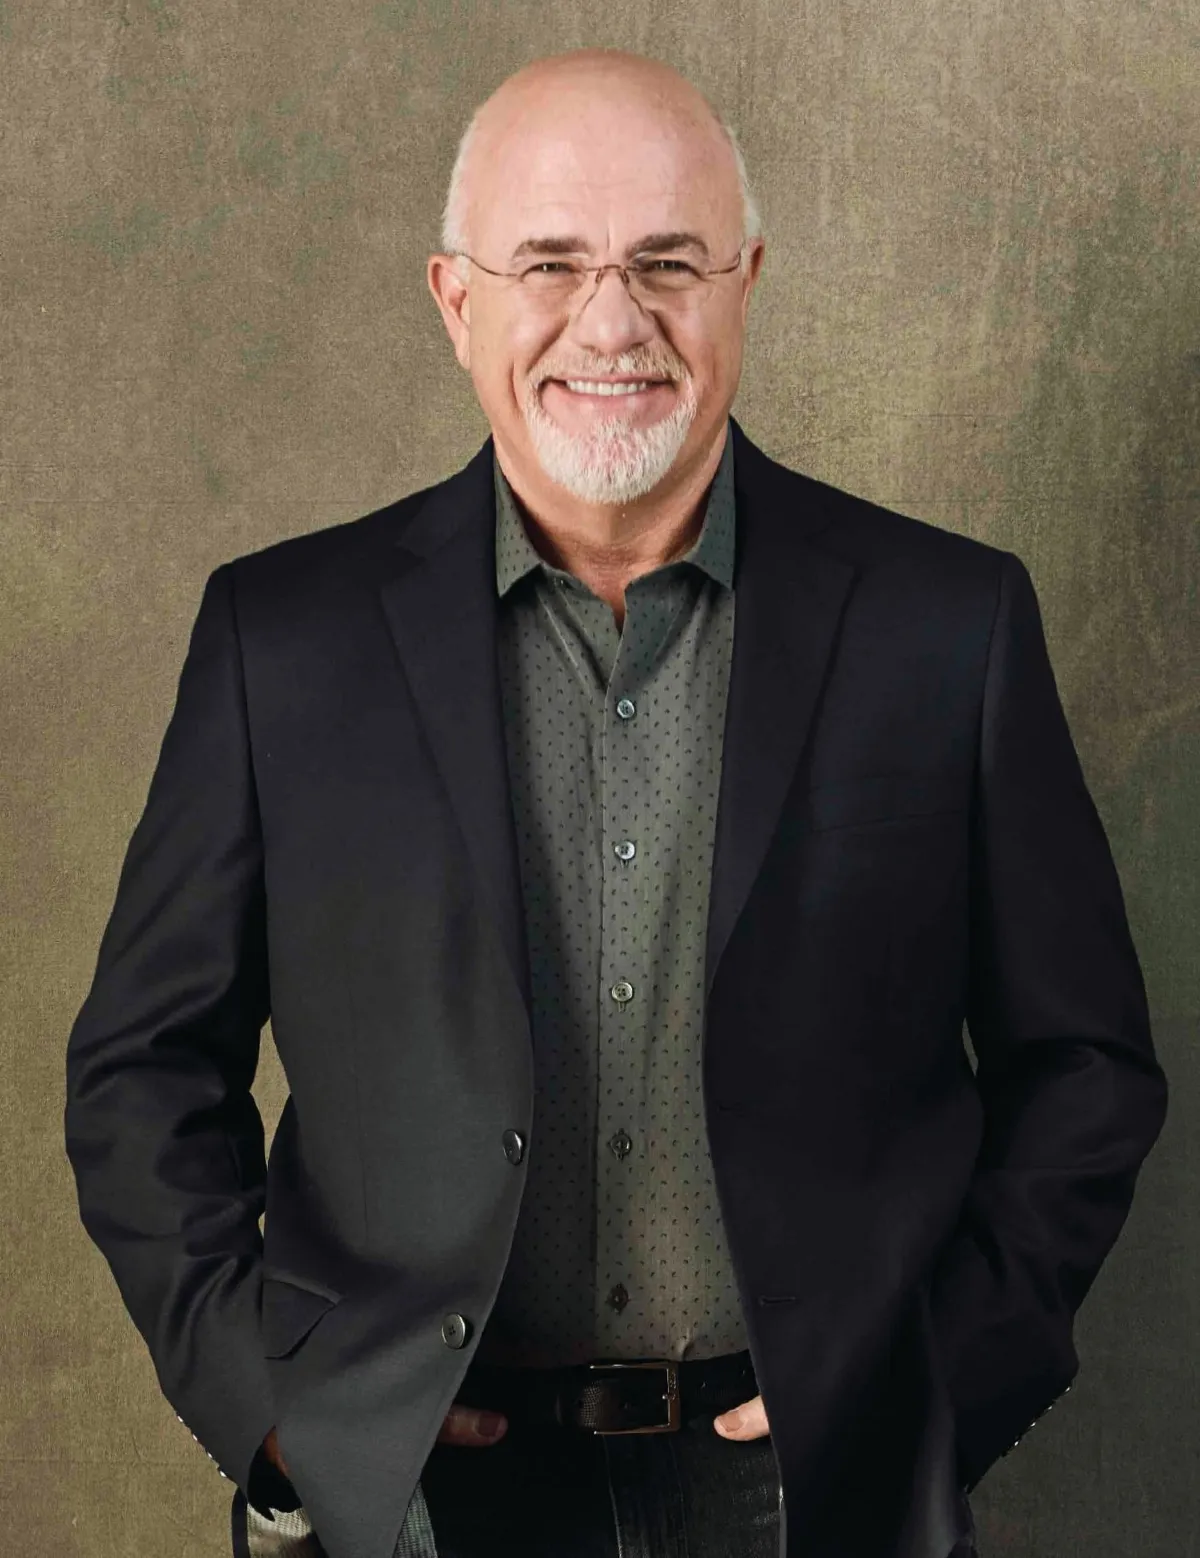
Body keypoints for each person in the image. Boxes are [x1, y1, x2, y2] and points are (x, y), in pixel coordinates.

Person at [63, 44, 1169, 1558]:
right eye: (550, 264)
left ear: (745, 283)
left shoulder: (948, 627)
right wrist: (275, 1410)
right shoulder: (282, 640)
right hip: (412, 1502)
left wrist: (936, 1388)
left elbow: (1085, 1068)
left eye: (667, 262)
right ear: (455, 301)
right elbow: (140, 1070)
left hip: (825, 1494)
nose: (612, 321)